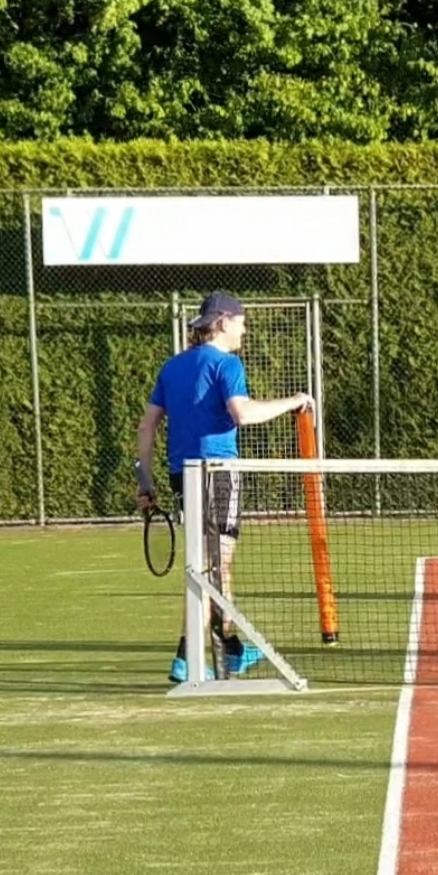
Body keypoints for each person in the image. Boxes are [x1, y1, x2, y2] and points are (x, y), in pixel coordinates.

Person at [135, 292, 314, 682]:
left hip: (183, 475)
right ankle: (188, 656)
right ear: (222, 322)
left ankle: (227, 650)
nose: (244, 328)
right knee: (214, 565)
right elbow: (243, 413)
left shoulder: (172, 367)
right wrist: (295, 401)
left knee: (212, 564)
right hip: (218, 473)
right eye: (240, 321)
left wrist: (144, 478)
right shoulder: (228, 365)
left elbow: (147, 426)